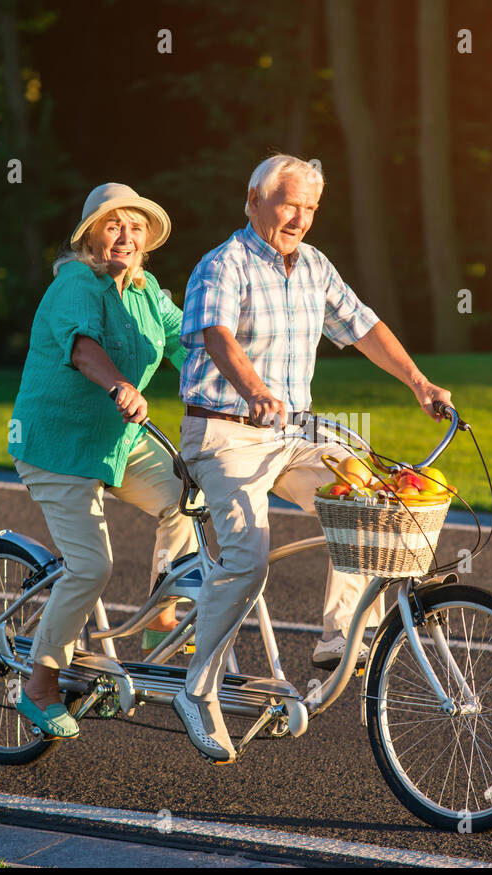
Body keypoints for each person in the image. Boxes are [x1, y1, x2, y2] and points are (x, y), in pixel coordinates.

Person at [171, 154, 453, 762]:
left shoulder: (315, 267)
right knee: (247, 562)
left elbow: (364, 326)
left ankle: (337, 639)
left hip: (287, 437)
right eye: (287, 204)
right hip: (223, 435)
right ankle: (197, 690)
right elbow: (218, 336)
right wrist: (256, 392)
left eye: (310, 208)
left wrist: (419, 384)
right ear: (254, 201)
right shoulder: (222, 265)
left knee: (371, 498)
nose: (299, 217)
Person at [7, 183, 195, 739]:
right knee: (91, 566)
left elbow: (189, 342)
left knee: (190, 493)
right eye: (114, 225)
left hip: (117, 440)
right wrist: (119, 385)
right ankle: (39, 685)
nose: (126, 236)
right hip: (58, 444)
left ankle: (162, 611)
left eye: (135, 228)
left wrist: (234, 381)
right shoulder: (75, 284)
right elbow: (83, 346)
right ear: (90, 234)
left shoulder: (147, 290)